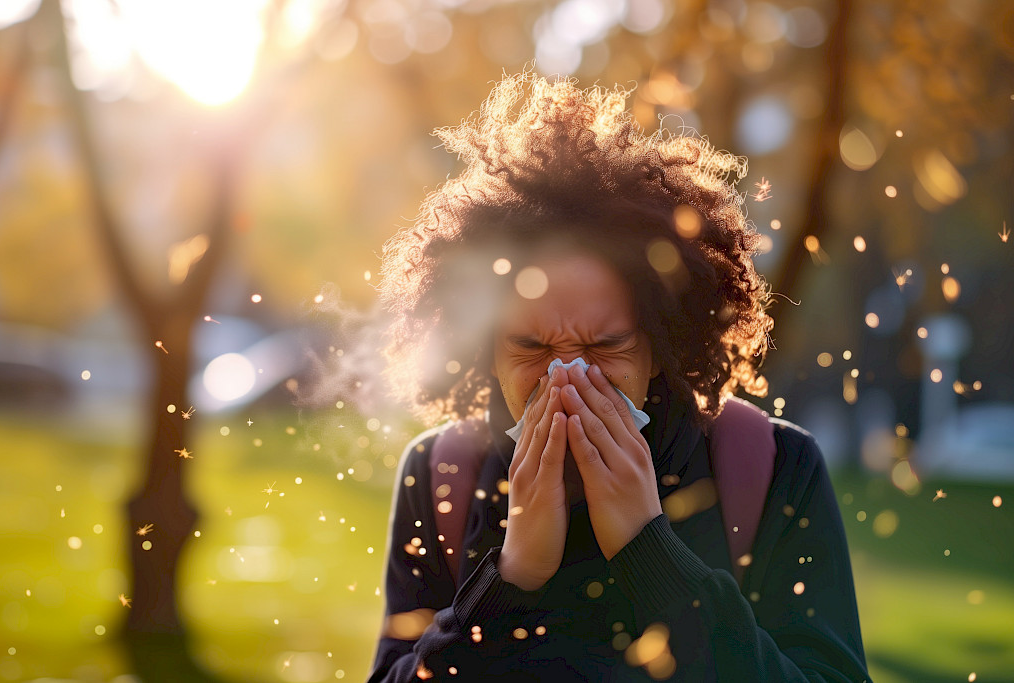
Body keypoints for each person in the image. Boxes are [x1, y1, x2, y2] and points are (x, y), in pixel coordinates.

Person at [368, 73, 869, 681]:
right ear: (485, 351)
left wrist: (649, 553)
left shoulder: (771, 469)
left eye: (606, 346)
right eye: (530, 346)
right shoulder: (442, 476)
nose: (567, 377)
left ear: (660, 344)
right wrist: (508, 581)